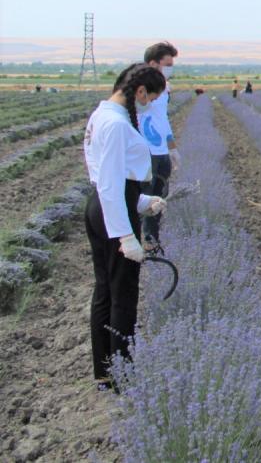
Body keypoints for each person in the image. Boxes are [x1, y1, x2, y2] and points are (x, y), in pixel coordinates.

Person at [84, 63, 168, 388]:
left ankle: (106, 372)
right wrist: (126, 236)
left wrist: (142, 202)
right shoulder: (117, 124)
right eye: (151, 98)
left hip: (104, 206)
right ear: (140, 91)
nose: (149, 105)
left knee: (105, 289)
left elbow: (108, 178)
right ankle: (123, 376)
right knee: (123, 294)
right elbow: (110, 184)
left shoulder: (101, 116)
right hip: (111, 210)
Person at [139, 42, 179, 251]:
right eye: (167, 64)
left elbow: (162, 118)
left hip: (161, 150)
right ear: (153, 63)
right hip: (145, 150)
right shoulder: (139, 86)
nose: (170, 68)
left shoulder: (165, 88)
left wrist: (171, 148)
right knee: (143, 198)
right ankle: (136, 242)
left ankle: (152, 241)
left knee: (159, 199)